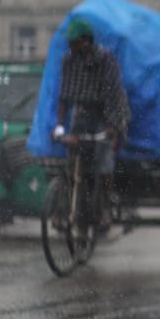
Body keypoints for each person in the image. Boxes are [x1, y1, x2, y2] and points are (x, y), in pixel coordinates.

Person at [53, 17, 129, 231]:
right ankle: (67, 206)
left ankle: (104, 206)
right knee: (73, 158)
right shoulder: (69, 60)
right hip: (83, 113)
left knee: (103, 161)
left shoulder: (105, 59)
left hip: (107, 113)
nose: (71, 46)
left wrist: (113, 127)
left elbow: (114, 95)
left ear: (86, 41)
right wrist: (60, 127)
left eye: (74, 42)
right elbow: (64, 97)